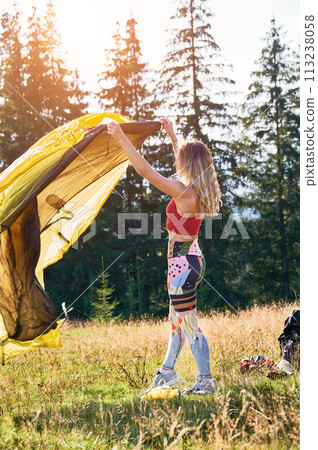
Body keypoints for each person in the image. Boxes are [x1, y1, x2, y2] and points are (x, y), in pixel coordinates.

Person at [107, 118, 221, 393]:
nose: (177, 163)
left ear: (188, 165)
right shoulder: (197, 189)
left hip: (182, 264)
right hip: (189, 259)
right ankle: (168, 371)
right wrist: (172, 136)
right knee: (177, 323)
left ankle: (206, 381)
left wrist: (121, 137)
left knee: (190, 324)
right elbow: (184, 163)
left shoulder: (184, 192)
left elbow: (146, 171)